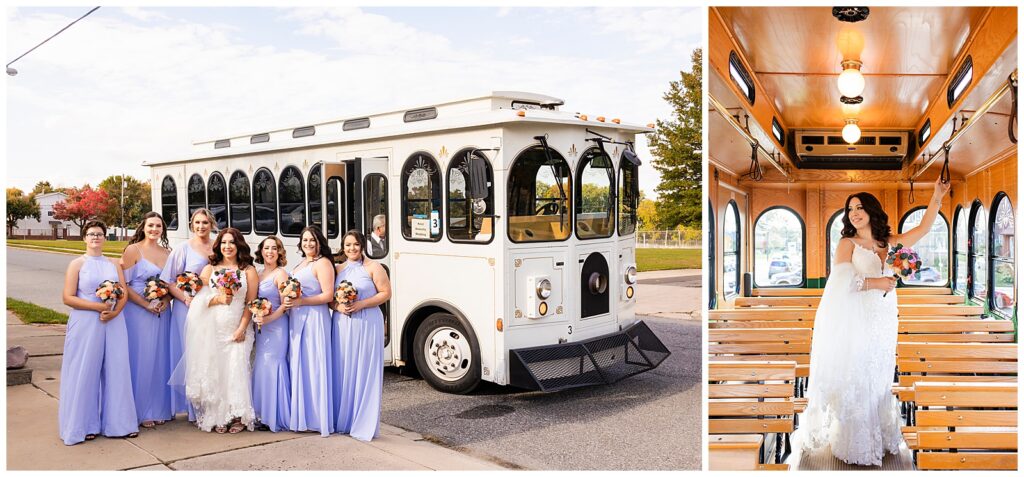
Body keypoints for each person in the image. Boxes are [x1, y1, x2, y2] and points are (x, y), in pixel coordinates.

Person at [800, 177, 951, 466]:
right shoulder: (847, 243)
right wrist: (877, 282)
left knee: (880, 375)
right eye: (850, 209)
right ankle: (855, 441)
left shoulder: (889, 242)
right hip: (856, 318)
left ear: (871, 210)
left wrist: (937, 196)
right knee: (859, 375)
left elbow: (923, 229)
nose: (854, 213)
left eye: (859, 207)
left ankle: (879, 436)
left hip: (883, 317)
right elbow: (840, 284)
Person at [58, 220, 138, 445]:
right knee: (85, 370)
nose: (95, 237)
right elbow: (68, 297)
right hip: (85, 322)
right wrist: (98, 307)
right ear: (84, 238)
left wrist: (114, 312)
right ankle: (85, 425)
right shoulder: (77, 264)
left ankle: (119, 424)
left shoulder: (114, 263)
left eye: (100, 234)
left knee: (117, 368)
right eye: (91, 234)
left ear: (105, 237)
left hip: (114, 322)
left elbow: (123, 293)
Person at [172, 227, 258, 434]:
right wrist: (217, 298)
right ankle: (219, 416)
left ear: (239, 246)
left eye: (232, 242)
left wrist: (242, 328)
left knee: (236, 371)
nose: (228, 246)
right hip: (214, 329)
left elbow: (251, 302)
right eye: (224, 242)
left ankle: (237, 416)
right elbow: (198, 300)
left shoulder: (248, 271)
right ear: (218, 245)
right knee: (217, 372)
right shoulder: (210, 269)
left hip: (238, 328)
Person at [331, 230, 392, 441]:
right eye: (347, 245)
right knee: (344, 369)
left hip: (367, 323)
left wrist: (360, 304)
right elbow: (330, 299)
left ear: (362, 245)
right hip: (342, 325)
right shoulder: (338, 269)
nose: (352, 249)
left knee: (364, 370)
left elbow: (386, 293)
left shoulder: (374, 267)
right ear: (343, 247)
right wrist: (338, 307)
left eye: (355, 244)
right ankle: (344, 420)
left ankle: (363, 422)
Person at [160, 208, 215, 420]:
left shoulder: (217, 247)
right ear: (192, 224)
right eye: (197, 222)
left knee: (206, 353)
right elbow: (169, 280)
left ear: (212, 224)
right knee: (189, 353)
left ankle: (206, 402)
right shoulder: (182, 249)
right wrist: (185, 298)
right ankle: (192, 409)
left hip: (210, 306)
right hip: (187, 307)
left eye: (205, 223)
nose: (201, 226)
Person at [120, 212, 173, 429]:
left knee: (159, 358)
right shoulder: (133, 250)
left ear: (163, 229)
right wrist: (145, 304)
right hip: (137, 312)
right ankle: (139, 409)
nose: (154, 229)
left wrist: (165, 299)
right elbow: (124, 284)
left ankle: (158, 408)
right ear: (143, 226)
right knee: (140, 358)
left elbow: (171, 285)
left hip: (161, 311)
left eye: (158, 226)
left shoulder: (168, 253)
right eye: (150, 225)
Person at [285, 226, 336, 436]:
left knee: (315, 365)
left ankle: (316, 418)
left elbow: (328, 295)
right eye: (305, 240)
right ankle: (301, 416)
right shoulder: (301, 264)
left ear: (319, 242)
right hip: (297, 318)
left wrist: (301, 301)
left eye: (312, 240)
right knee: (299, 365)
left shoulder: (323, 263)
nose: (308, 244)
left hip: (314, 318)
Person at [251, 235, 291, 432]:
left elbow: (286, 304)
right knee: (260, 366)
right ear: (261, 251)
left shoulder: (281, 274)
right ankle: (260, 413)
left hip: (277, 326)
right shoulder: (257, 273)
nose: (270, 251)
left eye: (274, 248)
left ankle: (274, 415)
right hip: (261, 327)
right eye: (266, 248)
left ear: (279, 252)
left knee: (273, 365)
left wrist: (269, 318)